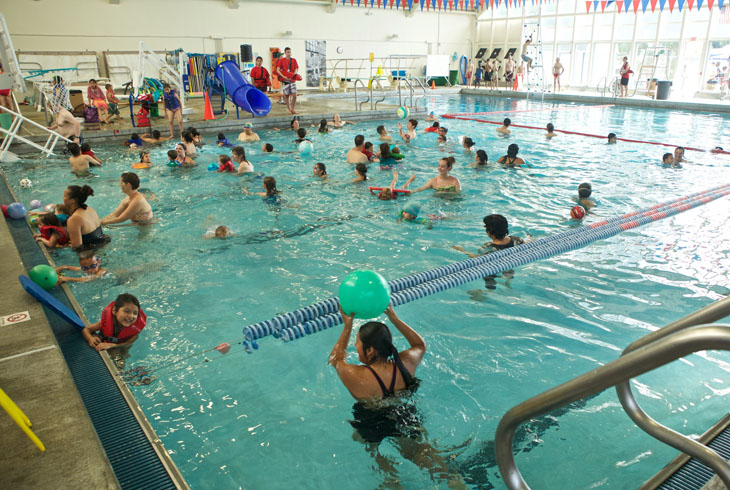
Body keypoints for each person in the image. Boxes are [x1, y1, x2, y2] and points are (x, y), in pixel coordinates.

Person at [453, 214, 525, 291]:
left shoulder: (488, 248)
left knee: (488, 275)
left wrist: (463, 250)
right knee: (508, 272)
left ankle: (488, 291)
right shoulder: (516, 240)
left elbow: (477, 258)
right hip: (509, 268)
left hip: (495, 269)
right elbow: (525, 244)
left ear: (488, 232)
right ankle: (508, 283)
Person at [63, 185, 110, 251]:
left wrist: (59, 246)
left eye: (65, 196)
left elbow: (77, 246)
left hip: (91, 253)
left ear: (72, 200)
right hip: (103, 244)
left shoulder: (74, 219)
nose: (63, 198)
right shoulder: (90, 209)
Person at [275, 47, 301, 115]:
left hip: (292, 80)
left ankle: (293, 109)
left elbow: (296, 68)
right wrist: (283, 76)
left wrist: (293, 75)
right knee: (286, 95)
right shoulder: (281, 60)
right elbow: (277, 70)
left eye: (290, 52)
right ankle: (289, 109)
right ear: (285, 53)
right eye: (287, 52)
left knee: (294, 95)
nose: (289, 53)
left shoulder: (294, 60)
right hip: (285, 80)